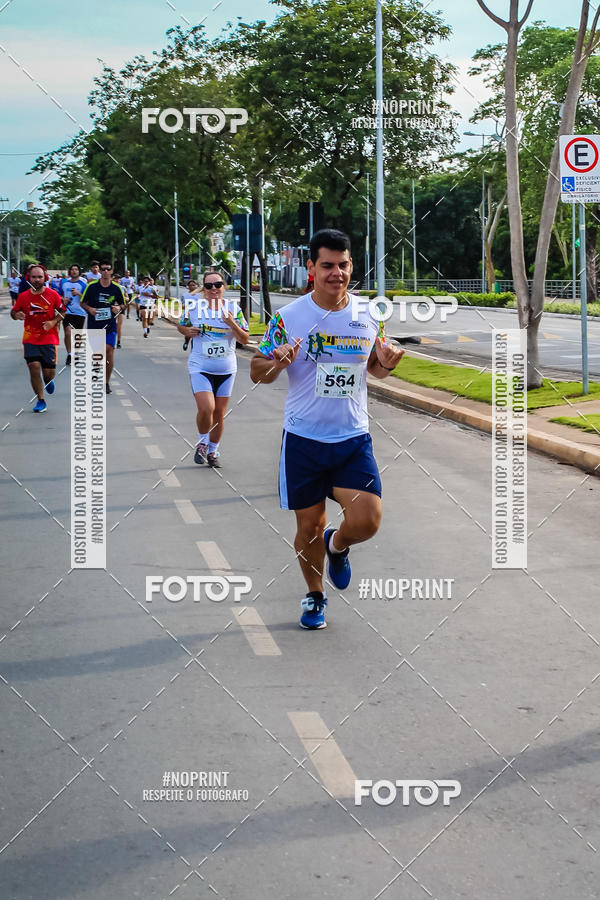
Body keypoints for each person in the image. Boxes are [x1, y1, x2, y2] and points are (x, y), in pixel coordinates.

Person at [250, 229, 404, 630]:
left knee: (367, 521)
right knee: (308, 526)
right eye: (327, 265)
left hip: (352, 438)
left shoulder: (369, 315)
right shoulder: (288, 317)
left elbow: (375, 369)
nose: (337, 273)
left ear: (351, 265)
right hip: (303, 440)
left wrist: (387, 363)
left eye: (343, 265)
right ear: (311, 268)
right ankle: (315, 595)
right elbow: (257, 371)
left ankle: (336, 545)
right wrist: (277, 362)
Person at [177, 270, 249, 467]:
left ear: (224, 287)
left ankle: (213, 451)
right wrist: (187, 331)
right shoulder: (194, 307)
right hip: (200, 367)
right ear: (204, 289)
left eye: (217, 285)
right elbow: (181, 325)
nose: (214, 289)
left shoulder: (233, 309)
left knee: (218, 414)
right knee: (206, 408)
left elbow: (244, 339)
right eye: (209, 286)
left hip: (226, 370)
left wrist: (232, 323)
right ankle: (202, 443)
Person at [10, 264, 65, 413]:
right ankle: (41, 400)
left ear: (45, 278)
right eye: (34, 277)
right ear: (29, 278)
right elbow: (13, 312)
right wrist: (16, 315)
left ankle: (48, 381)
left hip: (49, 338)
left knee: (48, 373)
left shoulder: (53, 295)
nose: (37, 280)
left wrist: (53, 322)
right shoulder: (23, 296)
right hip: (30, 337)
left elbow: (62, 312)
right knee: (33, 367)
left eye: (40, 277)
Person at [80, 261, 125, 394]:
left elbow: (123, 304)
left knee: (109, 350)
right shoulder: (92, 286)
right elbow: (82, 302)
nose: (105, 271)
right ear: (100, 271)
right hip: (94, 324)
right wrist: (90, 309)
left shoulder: (116, 288)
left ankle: (106, 382)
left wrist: (118, 307)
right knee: (97, 352)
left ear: (111, 271)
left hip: (110, 324)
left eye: (108, 269)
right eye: (103, 269)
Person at [61, 264, 87, 365]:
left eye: (76, 269)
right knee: (68, 332)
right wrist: (63, 299)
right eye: (72, 269)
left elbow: (87, 298)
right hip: (67, 312)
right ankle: (69, 354)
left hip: (80, 312)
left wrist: (78, 293)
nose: (74, 271)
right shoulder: (65, 283)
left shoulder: (83, 284)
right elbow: (59, 295)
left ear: (79, 272)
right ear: (69, 271)